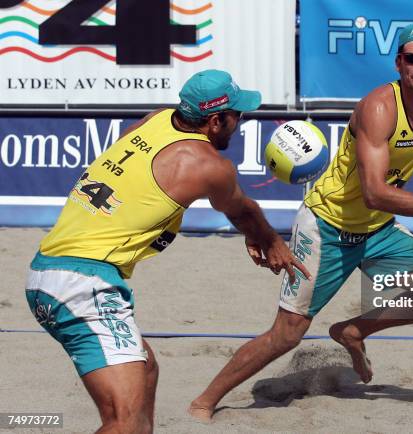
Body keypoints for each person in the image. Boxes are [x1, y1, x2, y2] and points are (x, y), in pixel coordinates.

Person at [190, 22, 413, 420]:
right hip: (327, 225)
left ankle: (354, 331)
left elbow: (386, 187)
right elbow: (374, 190)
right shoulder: (378, 107)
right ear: (399, 64)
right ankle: (204, 401)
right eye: (411, 58)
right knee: (287, 334)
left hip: (376, 228)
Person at [25, 69, 309, 433]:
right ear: (215, 120)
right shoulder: (208, 165)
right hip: (82, 284)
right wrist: (270, 241)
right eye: (237, 115)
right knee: (123, 424)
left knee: (145, 370)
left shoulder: (157, 119)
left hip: (48, 270)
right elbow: (243, 210)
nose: (240, 122)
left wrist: (254, 235)